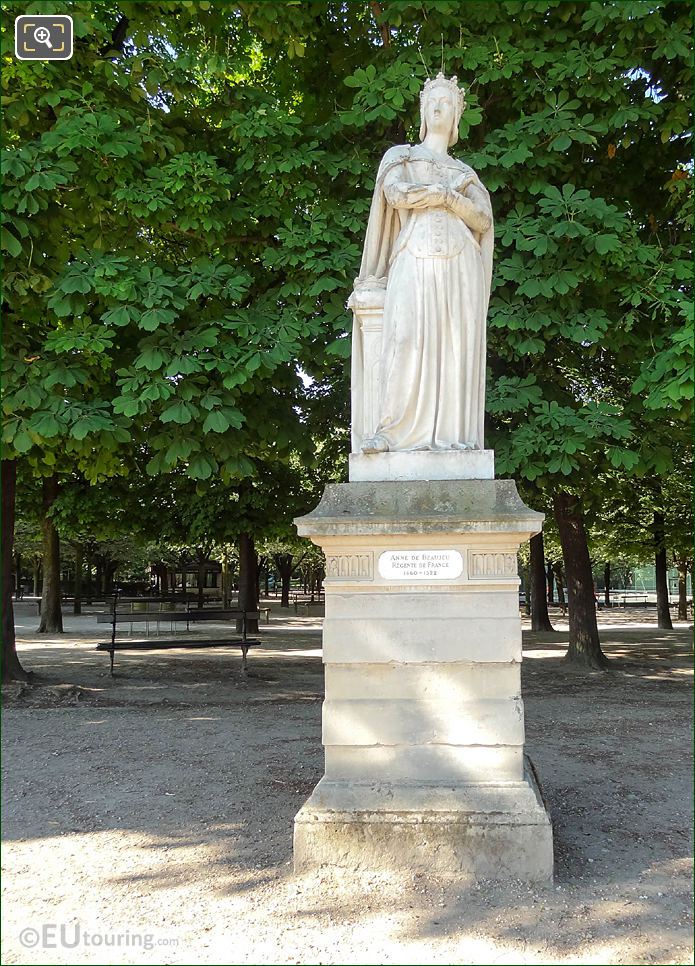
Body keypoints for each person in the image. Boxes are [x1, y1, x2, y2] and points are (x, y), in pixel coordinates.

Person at [351, 73, 494, 454]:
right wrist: (441, 195)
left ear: (457, 116)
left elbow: (482, 219)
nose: (438, 107)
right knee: (405, 338)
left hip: (460, 262)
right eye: (432, 100)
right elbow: (395, 193)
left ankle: (452, 437)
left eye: (447, 102)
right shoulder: (402, 156)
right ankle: (393, 432)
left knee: (454, 346)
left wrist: (449, 199)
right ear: (422, 110)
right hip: (413, 256)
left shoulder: (465, 174)